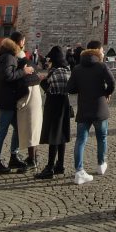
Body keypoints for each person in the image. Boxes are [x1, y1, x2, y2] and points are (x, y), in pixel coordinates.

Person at [68, 39, 116, 185]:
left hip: (84, 109)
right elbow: (112, 83)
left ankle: (79, 171)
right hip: (100, 108)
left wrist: (82, 89)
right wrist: (106, 92)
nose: (103, 52)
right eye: (102, 50)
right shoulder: (101, 66)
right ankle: (101, 164)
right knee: (102, 137)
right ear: (97, 51)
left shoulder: (77, 68)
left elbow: (70, 89)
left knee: (80, 140)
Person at [0, 31, 35, 174]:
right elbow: (8, 76)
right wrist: (24, 71)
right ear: (18, 42)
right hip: (6, 100)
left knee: (17, 127)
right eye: (23, 41)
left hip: (9, 99)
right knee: (2, 130)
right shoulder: (8, 57)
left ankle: (13, 156)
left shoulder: (8, 55)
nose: (24, 44)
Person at [35, 46, 72, 179]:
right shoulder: (67, 69)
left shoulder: (56, 72)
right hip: (64, 104)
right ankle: (60, 165)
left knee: (54, 136)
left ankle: (49, 167)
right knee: (61, 136)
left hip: (55, 104)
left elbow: (51, 89)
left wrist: (42, 81)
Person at [16, 41, 43, 166]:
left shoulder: (23, 69)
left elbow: (21, 88)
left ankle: (31, 159)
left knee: (28, 131)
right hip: (36, 104)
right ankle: (33, 157)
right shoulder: (34, 72)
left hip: (27, 104)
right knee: (34, 131)